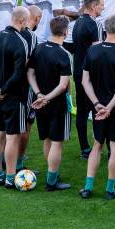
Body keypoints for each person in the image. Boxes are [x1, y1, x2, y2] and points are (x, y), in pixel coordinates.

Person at [80, 15, 115, 200]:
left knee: (97, 145)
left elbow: (85, 81)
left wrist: (97, 104)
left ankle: (88, 187)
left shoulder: (92, 51)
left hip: (98, 107)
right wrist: (109, 107)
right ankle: (110, 190)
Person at [27, 16, 73, 191]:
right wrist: (47, 97)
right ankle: (52, 181)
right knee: (57, 142)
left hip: (39, 102)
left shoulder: (38, 49)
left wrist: (39, 94)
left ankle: (51, 172)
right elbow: (63, 86)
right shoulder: (64, 54)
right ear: (66, 32)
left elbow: (30, 74)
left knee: (46, 138)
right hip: (57, 105)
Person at [0, 7, 31, 188]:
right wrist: (4, 90)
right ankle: (11, 177)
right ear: (21, 21)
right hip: (14, 97)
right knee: (12, 137)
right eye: (26, 22)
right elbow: (19, 73)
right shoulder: (21, 42)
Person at [72, 0, 102, 159]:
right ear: (93, 6)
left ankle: (84, 148)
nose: (103, 7)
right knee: (98, 108)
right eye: (101, 4)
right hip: (92, 75)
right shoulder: (94, 25)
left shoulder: (77, 23)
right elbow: (97, 53)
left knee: (83, 111)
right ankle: (99, 146)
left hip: (78, 71)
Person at [18, 6, 41, 172]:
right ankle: (18, 161)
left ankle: (5, 161)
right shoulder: (31, 37)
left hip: (6, 86)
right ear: (37, 19)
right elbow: (31, 64)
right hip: (26, 86)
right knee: (26, 124)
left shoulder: (8, 33)